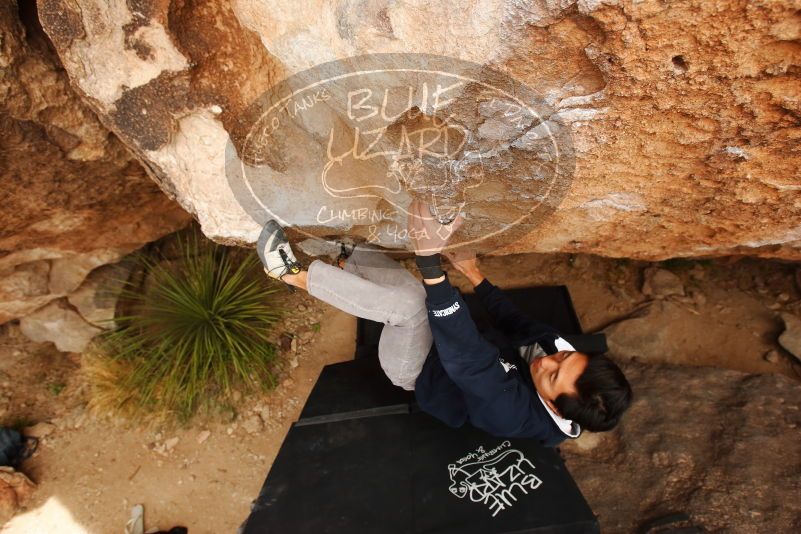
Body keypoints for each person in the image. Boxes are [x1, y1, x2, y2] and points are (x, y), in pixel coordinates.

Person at [257, 200, 632, 447]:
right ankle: (349, 257)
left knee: (412, 307)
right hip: (449, 348)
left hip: (419, 369)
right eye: (565, 358)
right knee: (418, 296)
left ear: (555, 408)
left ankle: (289, 273)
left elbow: (468, 358)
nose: (547, 361)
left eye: (552, 376)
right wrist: (473, 272)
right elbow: (518, 322)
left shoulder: (512, 415)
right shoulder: (557, 358)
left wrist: (429, 260)